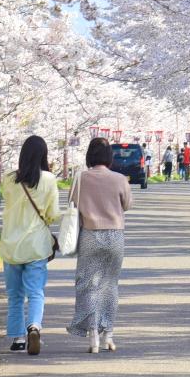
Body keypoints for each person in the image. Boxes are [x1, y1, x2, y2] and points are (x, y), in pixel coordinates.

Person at [69, 136, 133, 353]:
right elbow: (127, 204)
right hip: (115, 236)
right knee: (110, 285)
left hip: (90, 235)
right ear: (109, 157)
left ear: (89, 155)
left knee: (87, 285)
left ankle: (93, 336)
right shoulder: (119, 179)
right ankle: (109, 335)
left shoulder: (80, 178)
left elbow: (72, 203)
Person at [0, 134, 60, 355]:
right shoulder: (48, 180)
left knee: (15, 295)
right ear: (44, 155)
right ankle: (34, 326)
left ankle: (17, 338)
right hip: (36, 246)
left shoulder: (8, 179)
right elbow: (52, 214)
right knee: (35, 292)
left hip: (11, 246)